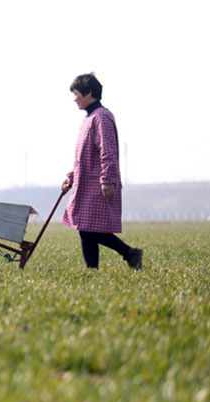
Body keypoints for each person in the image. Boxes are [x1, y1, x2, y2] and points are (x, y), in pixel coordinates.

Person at [61, 73, 143, 270]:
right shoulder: (89, 118)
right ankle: (93, 270)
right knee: (85, 228)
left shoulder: (102, 117)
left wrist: (107, 179)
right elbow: (84, 156)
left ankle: (130, 253)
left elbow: (108, 150)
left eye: (77, 94)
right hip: (85, 182)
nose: (75, 98)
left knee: (88, 229)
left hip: (97, 183)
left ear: (89, 93)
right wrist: (71, 177)